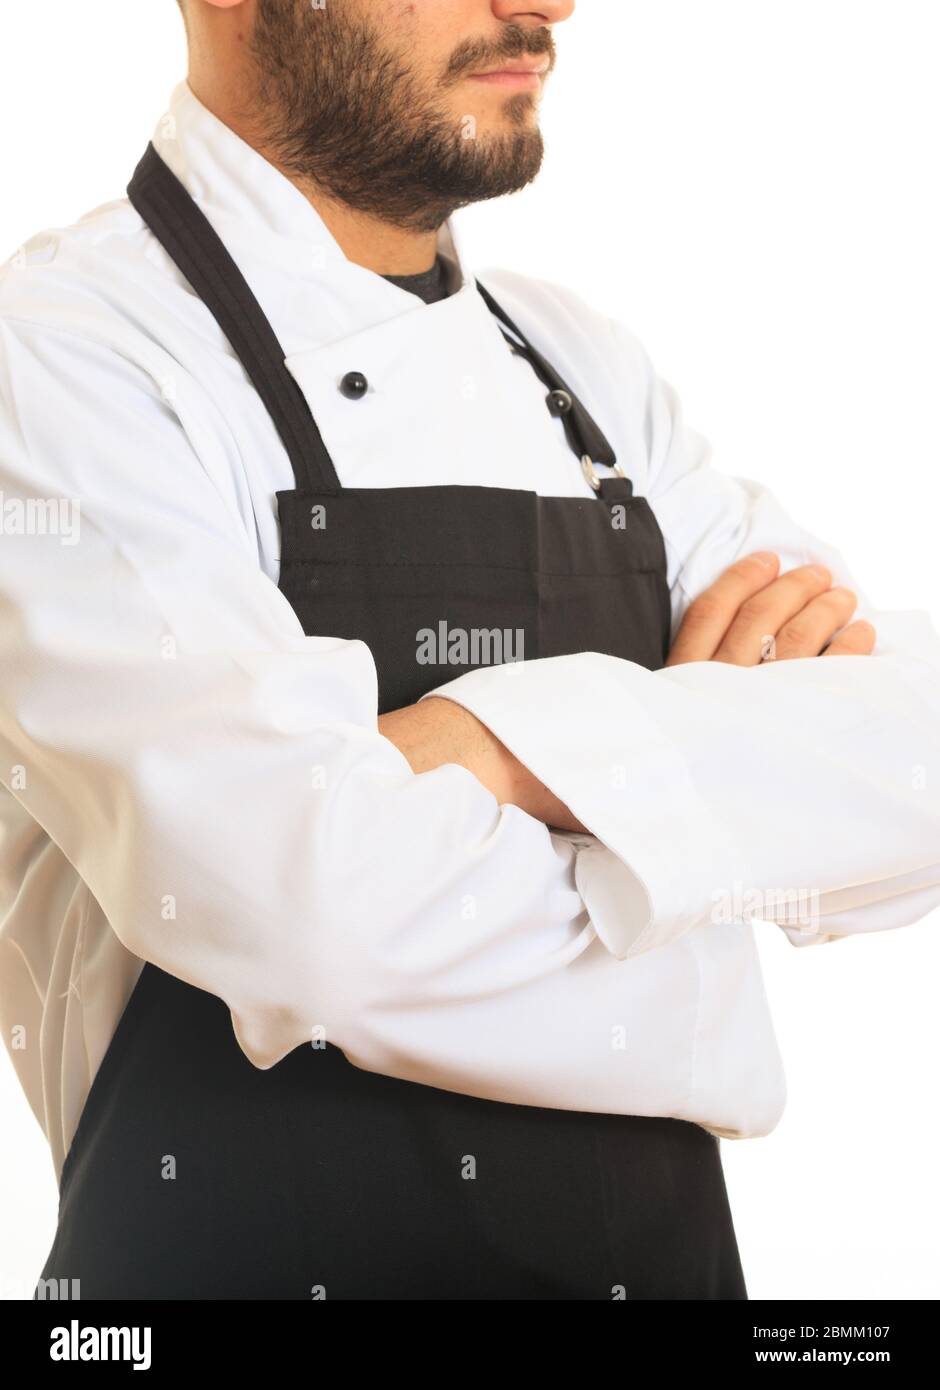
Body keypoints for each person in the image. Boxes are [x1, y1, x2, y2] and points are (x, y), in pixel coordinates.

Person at [2, 0, 938, 1301]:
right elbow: (317, 914)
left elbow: (918, 758)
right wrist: (700, 906)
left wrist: (502, 750)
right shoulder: (65, 358)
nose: (547, 1)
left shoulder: (590, 374)